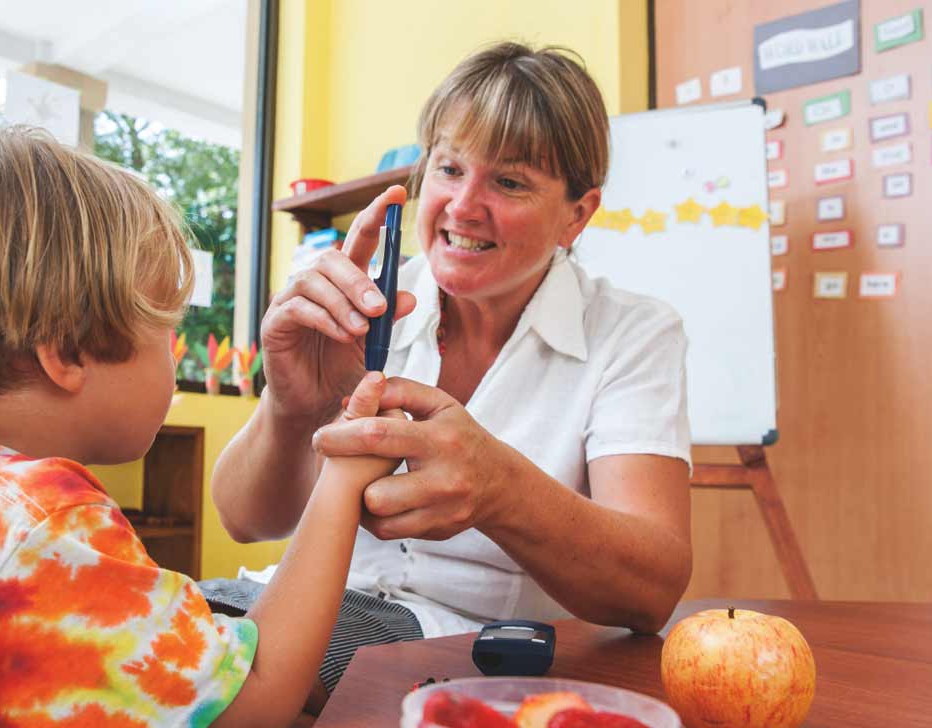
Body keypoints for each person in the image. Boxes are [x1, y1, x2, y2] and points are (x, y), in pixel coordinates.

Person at [0, 127, 401, 727]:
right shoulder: (51, 521)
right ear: (68, 351)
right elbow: (251, 704)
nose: (171, 356)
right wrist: (343, 477)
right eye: (164, 331)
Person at [207, 41, 694, 696]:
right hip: (292, 608)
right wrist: (291, 409)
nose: (463, 206)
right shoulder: (360, 302)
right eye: (448, 169)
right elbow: (244, 519)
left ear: (577, 215)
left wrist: (501, 488)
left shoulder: (632, 333)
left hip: (466, 654)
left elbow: (651, 590)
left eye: (510, 181)